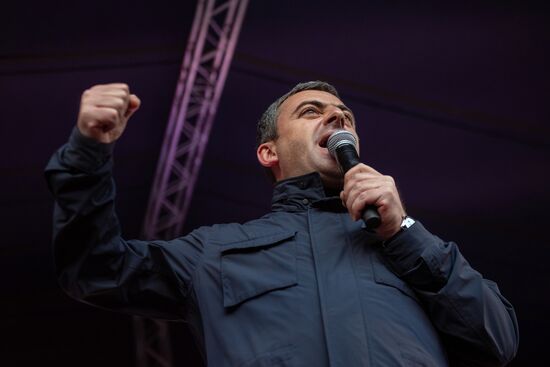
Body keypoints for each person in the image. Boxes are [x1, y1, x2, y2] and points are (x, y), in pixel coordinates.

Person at [45, 81, 519, 366]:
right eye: (312, 112)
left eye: (344, 115)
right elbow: (94, 268)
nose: (337, 115)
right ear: (269, 152)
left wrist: (404, 233)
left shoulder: (404, 243)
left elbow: (496, 339)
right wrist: (88, 153)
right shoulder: (214, 252)